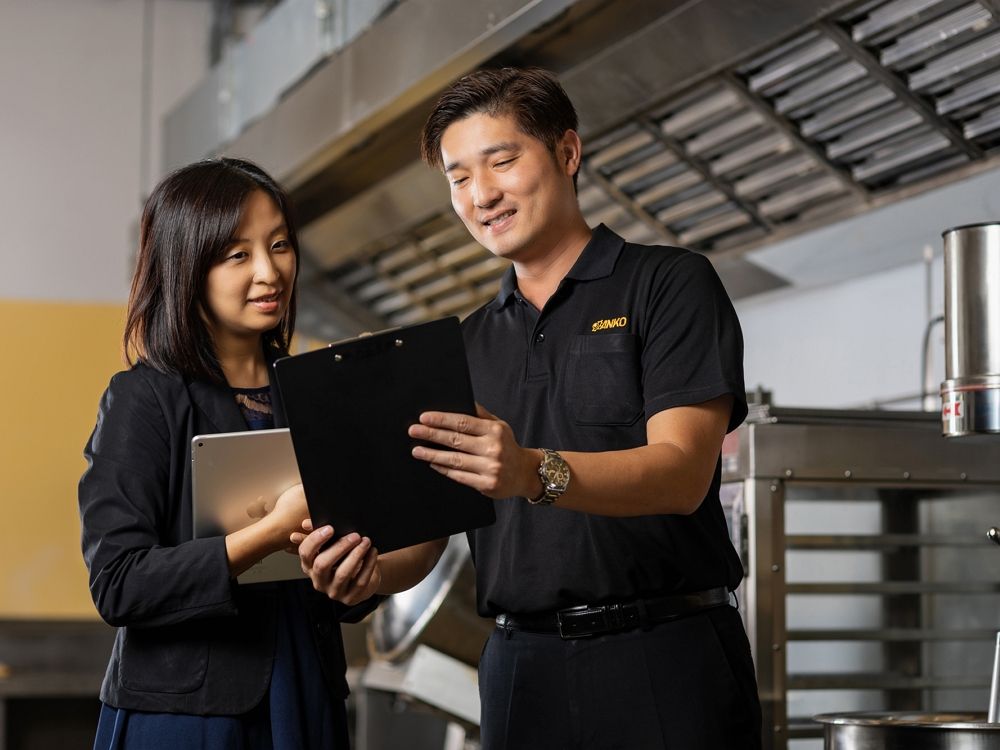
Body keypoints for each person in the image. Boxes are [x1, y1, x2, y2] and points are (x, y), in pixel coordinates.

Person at [407, 67, 763, 749]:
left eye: (501, 161)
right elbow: (426, 533)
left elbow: (683, 473)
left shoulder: (669, 284)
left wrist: (532, 471)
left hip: (664, 654)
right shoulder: (461, 344)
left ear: (567, 152)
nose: (480, 195)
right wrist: (354, 567)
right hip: (519, 671)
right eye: (457, 178)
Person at [79, 158, 446, 749]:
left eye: (279, 245)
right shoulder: (145, 397)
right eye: (237, 254)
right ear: (186, 267)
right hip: (186, 716)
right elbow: (119, 583)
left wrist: (358, 574)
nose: (270, 271)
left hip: (305, 689)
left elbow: (372, 557)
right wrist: (269, 533)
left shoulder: (321, 393)